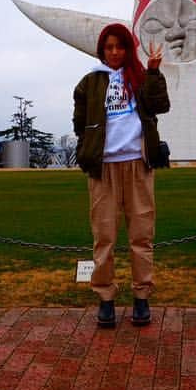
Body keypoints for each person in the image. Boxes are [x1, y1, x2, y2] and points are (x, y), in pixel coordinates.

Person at [73, 23, 169, 328]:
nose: (114, 52)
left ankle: (141, 297)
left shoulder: (140, 77)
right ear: (102, 49)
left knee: (141, 235)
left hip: (137, 165)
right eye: (109, 47)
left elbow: (159, 106)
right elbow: (79, 123)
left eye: (120, 46)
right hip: (104, 169)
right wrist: (88, 151)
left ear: (128, 49)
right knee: (104, 237)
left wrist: (153, 72)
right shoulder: (89, 82)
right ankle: (106, 300)